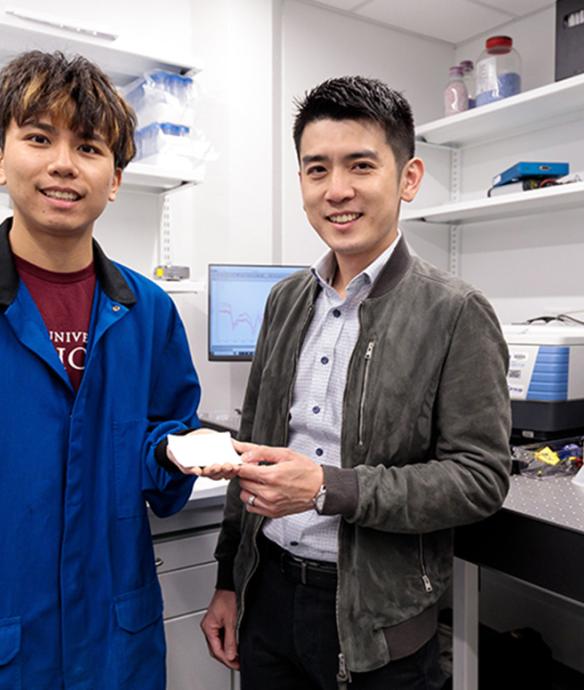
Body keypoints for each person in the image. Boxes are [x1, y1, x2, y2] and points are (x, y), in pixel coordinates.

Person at [201, 75, 511, 689]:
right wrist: (228, 582)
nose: (337, 190)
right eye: (317, 170)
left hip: (376, 626)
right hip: (268, 597)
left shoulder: (454, 311)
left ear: (408, 178)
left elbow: (479, 480)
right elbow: (254, 448)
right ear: (301, 184)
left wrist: (327, 488)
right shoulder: (286, 300)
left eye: (360, 165)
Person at [0, 51, 203, 689]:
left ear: (115, 179)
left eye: (88, 147)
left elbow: (160, 450)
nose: (63, 163)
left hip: (116, 644)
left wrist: (176, 453)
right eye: (38, 137)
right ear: (2, 156)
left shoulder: (149, 312)